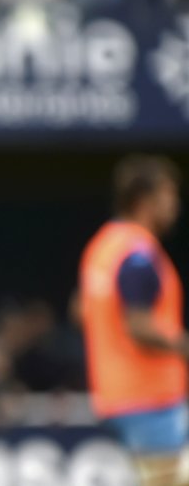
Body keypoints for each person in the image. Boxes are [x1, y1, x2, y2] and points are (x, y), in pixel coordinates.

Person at [80, 154, 187, 486]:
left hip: (115, 393)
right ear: (144, 201)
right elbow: (138, 325)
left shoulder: (102, 246)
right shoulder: (138, 254)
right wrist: (184, 346)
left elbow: (80, 310)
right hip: (150, 396)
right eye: (169, 195)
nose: (175, 205)